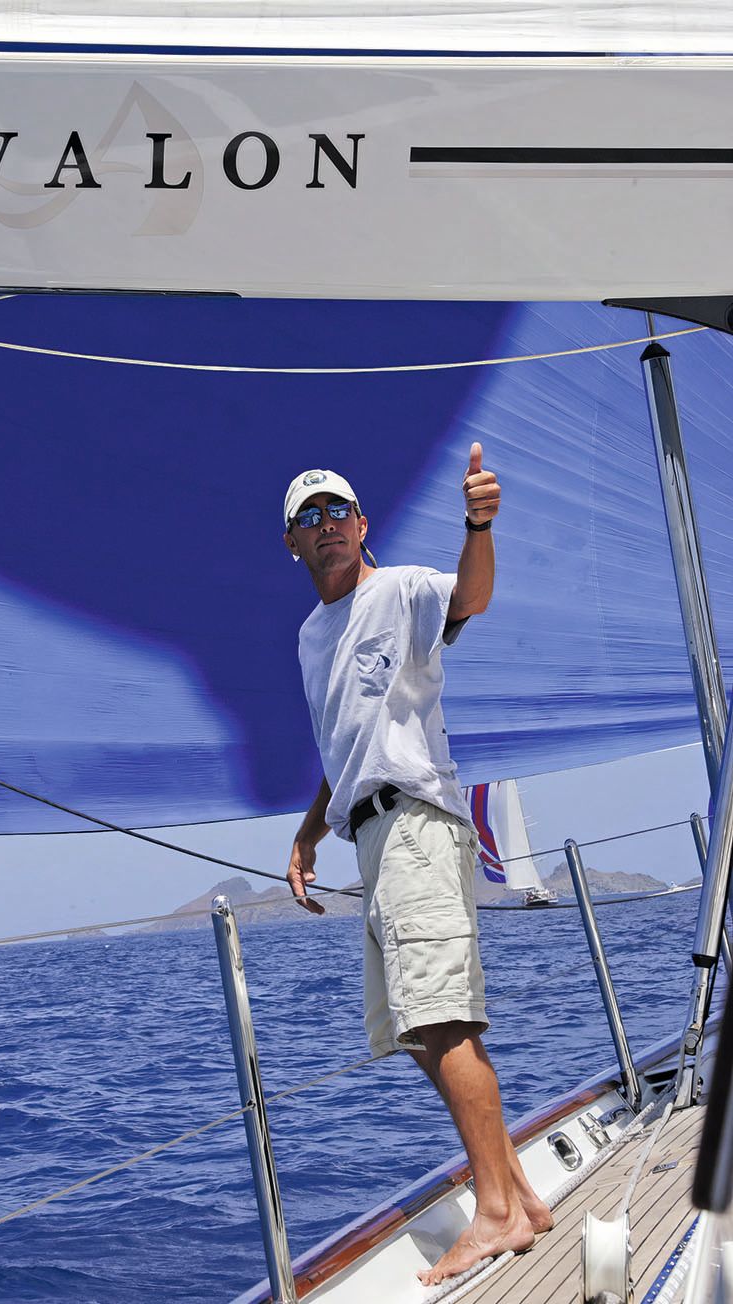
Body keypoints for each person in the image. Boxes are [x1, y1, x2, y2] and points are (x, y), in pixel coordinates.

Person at [282, 445, 552, 1285]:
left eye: (339, 512)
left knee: (441, 1020)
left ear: (362, 527)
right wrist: (307, 833)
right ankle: (515, 1190)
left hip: (414, 823)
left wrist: (479, 524)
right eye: (309, 518)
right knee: (415, 1029)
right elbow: (346, 741)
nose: (327, 526)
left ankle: (498, 1212)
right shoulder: (308, 637)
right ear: (291, 543)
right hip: (368, 834)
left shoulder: (398, 590)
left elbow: (471, 597)